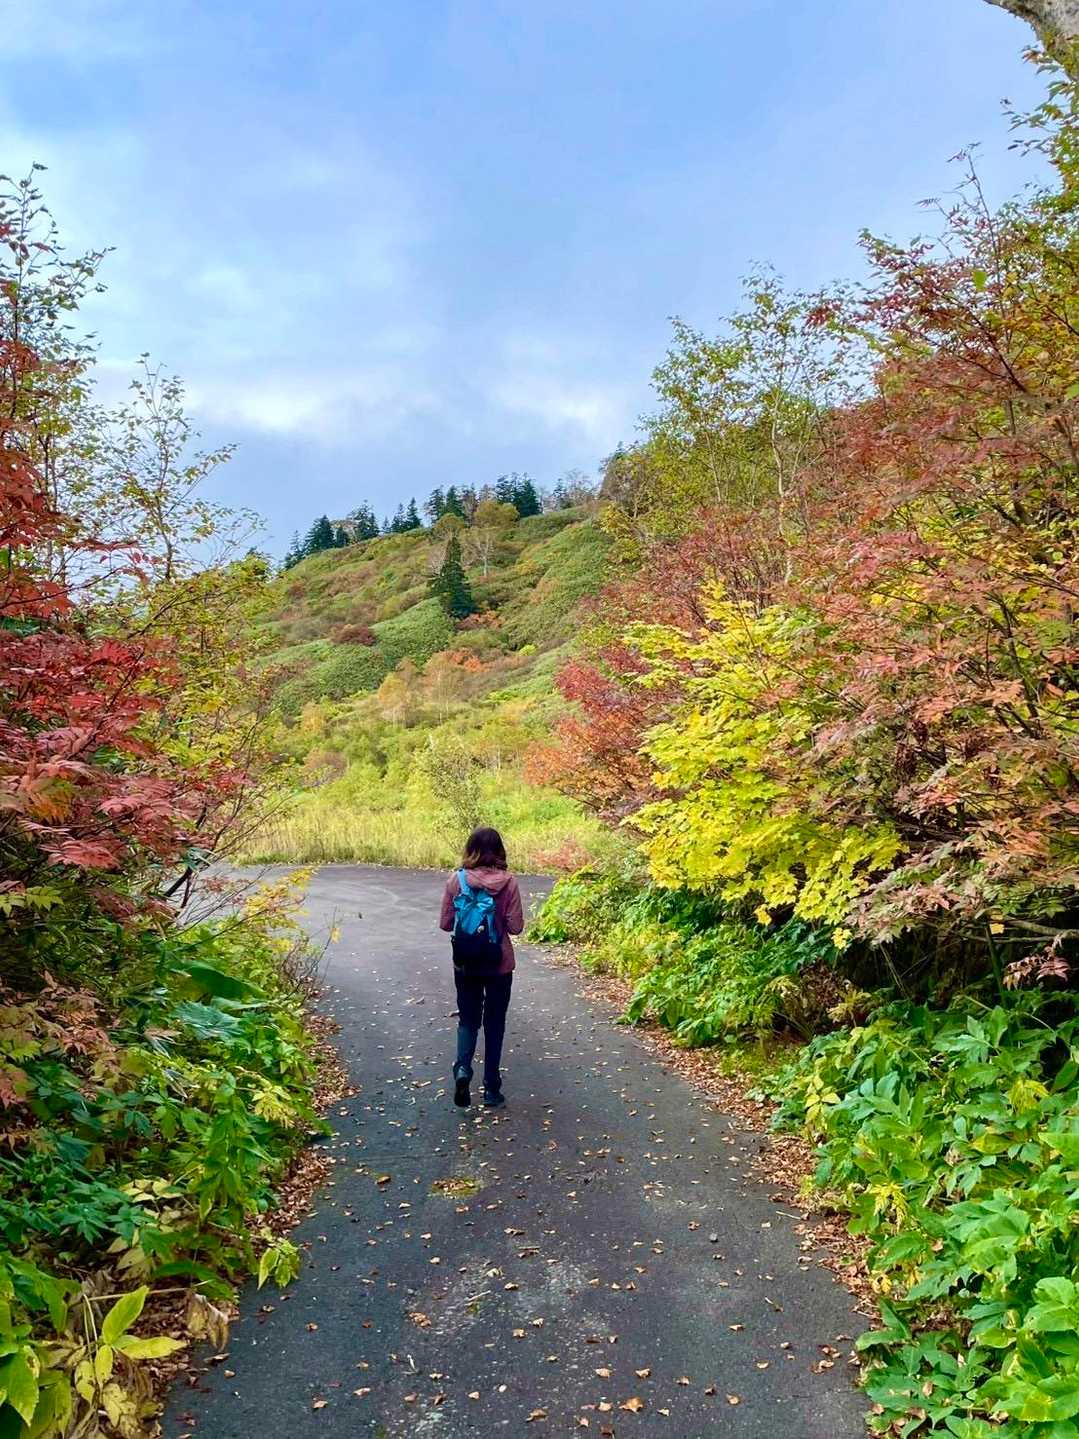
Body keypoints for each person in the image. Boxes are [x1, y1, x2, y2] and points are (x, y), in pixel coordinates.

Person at [439, 826, 524, 1109]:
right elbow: (516, 926)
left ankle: (463, 1069)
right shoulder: (509, 883)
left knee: (468, 1019)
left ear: (470, 849)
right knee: (495, 1023)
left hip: (465, 963)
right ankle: (491, 1088)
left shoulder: (457, 880)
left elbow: (446, 924)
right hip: (499, 963)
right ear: (499, 850)